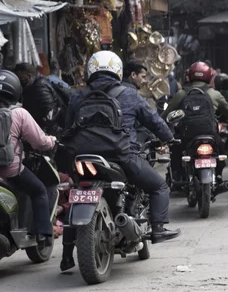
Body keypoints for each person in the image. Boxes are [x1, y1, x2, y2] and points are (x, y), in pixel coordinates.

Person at [62, 52, 178, 272]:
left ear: (90, 71)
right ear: (118, 70)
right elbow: (153, 121)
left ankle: (67, 254)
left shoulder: (77, 96)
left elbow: (68, 128)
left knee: (76, 194)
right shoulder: (129, 94)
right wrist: (168, 137)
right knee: (159, 186)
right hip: (122, 157)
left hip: (81, 158)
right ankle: (159, 228)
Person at [0, 70, 57, 248]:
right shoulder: (19, 114)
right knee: (39, 190)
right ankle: (43, 234)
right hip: (10, 171)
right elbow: (40, 142)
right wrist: (53, 141)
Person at [15, 62, 68, 135]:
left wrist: (55, 138)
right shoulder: (33, 86)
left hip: (49, 135)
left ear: (29, 75)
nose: (21, 82)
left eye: (22, 79)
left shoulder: (40, 86)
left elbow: (50, 115)